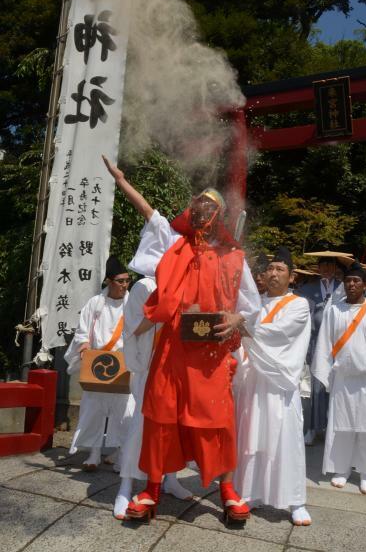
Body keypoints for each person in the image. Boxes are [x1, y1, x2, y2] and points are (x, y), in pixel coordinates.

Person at [103, 155, 261, 524]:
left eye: (211, 206)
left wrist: (236, 317)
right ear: (191, 211)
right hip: (172, 349)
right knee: (160, 418)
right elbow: (149, 212)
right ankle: (150, 490)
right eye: (199, 204)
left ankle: (227, 491)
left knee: (218, 421)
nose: (203, 209)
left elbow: (252, 307)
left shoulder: (233, 257)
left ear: (219, 215)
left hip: (210, 354)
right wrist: (122, 180)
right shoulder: (174, 243)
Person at [234, 247, 312, 526]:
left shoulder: (298, 305)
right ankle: (250, 492)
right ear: (263, 276)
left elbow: (281, 333)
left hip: (280, 384)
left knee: (285, 439)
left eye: (281, 270)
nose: (275, 274)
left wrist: (244, 328)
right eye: (271, 269)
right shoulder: (253, 306)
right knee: (252, 437)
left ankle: (295, 501)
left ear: (291, 277)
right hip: (254, 381)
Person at [311, 261, 366, 494]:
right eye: (348, 280)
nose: (351, 284)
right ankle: (341, 468)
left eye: (356, 281)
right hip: (342, 378)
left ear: (364, 286)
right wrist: (324, 371)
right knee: (342, 425)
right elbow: (325, 343)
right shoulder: (334, 310)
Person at [113, 276, 193, 520]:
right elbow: (133, 327)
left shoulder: (188, 282)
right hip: (151, 367)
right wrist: (163, 310)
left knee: (173, 426)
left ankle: (170, 479)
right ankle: (125, 487)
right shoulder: (144, 286)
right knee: (142, 425)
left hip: (179, 365)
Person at [65, 256, 134, 470]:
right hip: (98, 364)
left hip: (123, 364)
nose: (124, 285)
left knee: (125, 411)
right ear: (108, 281)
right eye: (120, 281)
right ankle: (93, 454)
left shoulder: (133, 304)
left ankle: (122, 455)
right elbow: (82, 330)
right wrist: (84, 344)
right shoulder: (95, 303)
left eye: (127, 281)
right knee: (94, 408)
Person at [298, 256, 342, 445]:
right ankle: (313, 428)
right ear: (318, 267)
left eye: (330, 265)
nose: (326, 268)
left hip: (340, 344)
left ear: (334, 267)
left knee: (338, 388)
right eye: (322, 265)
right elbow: (303, 320)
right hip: (317, 344)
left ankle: (336, 430)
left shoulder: (343, 287)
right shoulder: (308, 290)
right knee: (317, 387)